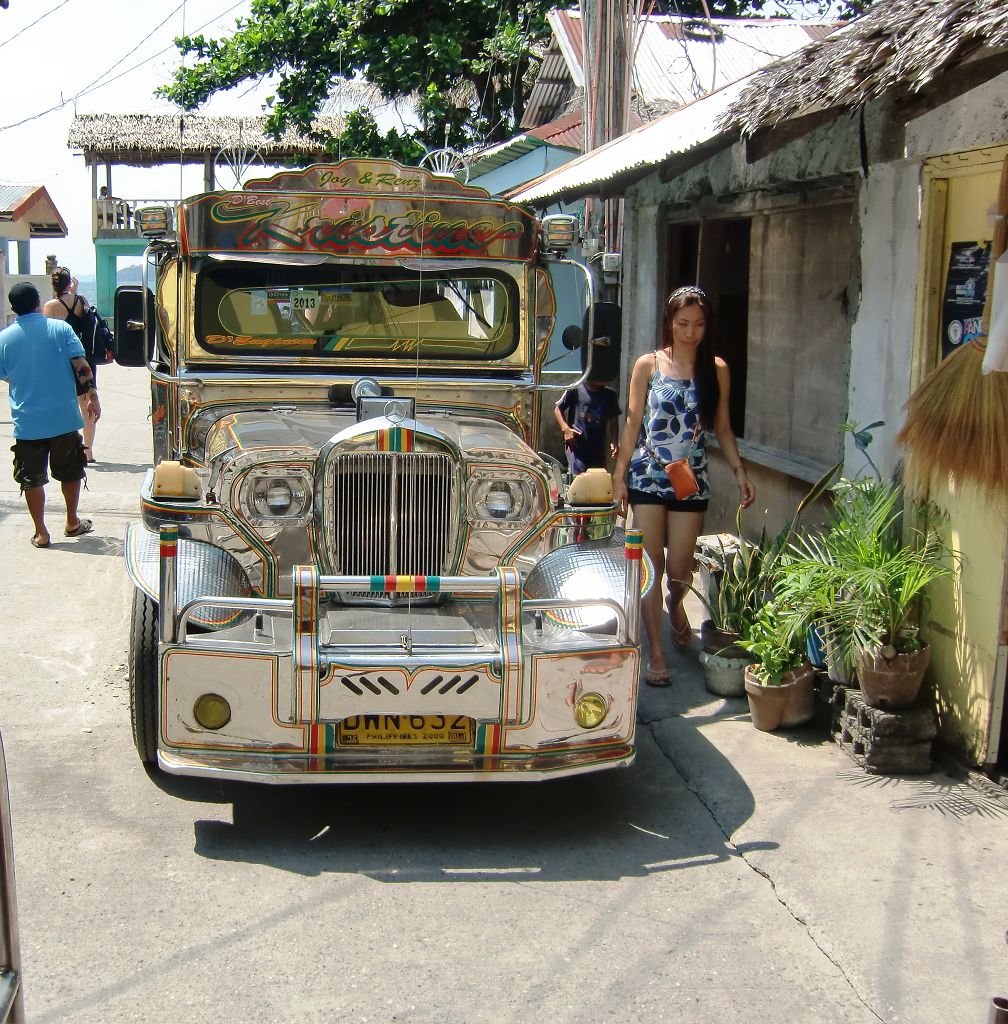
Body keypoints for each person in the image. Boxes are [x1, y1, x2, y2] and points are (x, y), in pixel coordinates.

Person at [612, 285, 755, 686]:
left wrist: (739, 471)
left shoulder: (716, 369)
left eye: (698, 324)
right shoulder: (648, 365)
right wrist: (619, 475)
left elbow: (722, 427)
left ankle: (676, 605)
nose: (690, 332)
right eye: (683, 324)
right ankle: (656, 651)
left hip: (691, 480)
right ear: (669, 323)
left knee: (678, 569)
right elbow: (633, 423)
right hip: (648, 474)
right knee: (651, 567)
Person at [0, 282, 100, 548]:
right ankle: (72, 522)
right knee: (70, 472)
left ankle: (41, 533)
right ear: (38, 302)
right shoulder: (61, 329)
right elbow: (82, 366)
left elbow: (5, 375)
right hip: (63, 418)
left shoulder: (4, 339)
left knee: (31, 478)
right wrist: (93, 397)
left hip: (27, 422)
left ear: (13, 308)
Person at [43, 267, 99, 463]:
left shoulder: (51, 306)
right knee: (87, 406)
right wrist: (74, 292)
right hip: (85, 360)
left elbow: (48, 337)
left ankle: (68, 449)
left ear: (53, 285)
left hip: (62, 361)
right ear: (69, 283)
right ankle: (88, 452)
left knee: (65, 406)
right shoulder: (82, 300)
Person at [554, 379, 621, 476]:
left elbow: (613, 421)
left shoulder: (610, 395)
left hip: (598, 448)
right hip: (577, 446)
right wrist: (566, 429)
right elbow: (558, 409)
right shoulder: (575, 389)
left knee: (597, 478)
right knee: (579, 478)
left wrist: (614, 441)